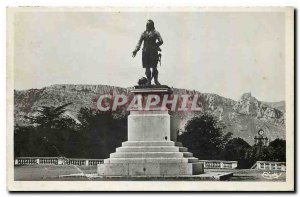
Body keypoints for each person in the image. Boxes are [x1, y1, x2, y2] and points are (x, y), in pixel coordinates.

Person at [132, 19, 163, 85]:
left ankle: (156, 81)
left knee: (154, 67)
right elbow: (139, 43)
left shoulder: (156, 33)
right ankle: (149, 81)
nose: (148, 26)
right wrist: (135, 50)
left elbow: (161, 41)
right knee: (147, 68)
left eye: (149, 25)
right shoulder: (143, 34)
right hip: (145, 52)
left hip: (153, 52)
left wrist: (155, 45)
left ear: (152, 25)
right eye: (147, 25)